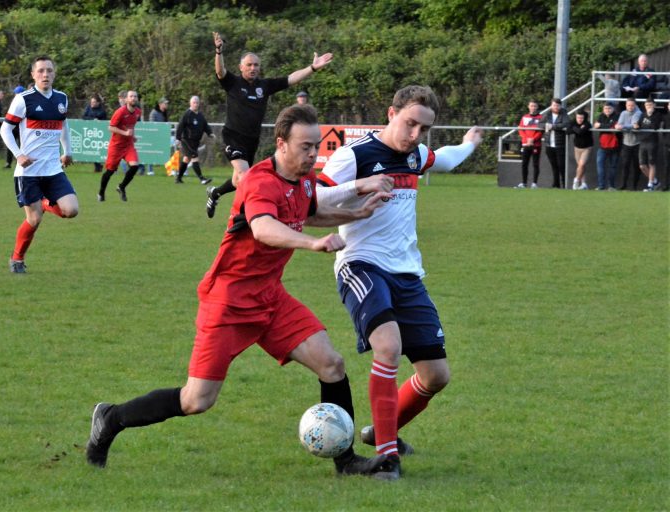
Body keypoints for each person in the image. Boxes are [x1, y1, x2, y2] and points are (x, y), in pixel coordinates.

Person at [86, 105, 392, 479]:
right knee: (196, 400)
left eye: (316, 147)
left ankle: (345, 462)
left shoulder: (304, 179)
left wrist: (356, 214)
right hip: (228, 302)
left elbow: (307, 212)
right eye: (305, 147)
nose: (313, 154)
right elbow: (264, 228)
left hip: (270, 298)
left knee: (331, 364)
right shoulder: (259, 181)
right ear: (281, 144)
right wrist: (312, 245)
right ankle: (110, 418)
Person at [316, 85, 484, 481]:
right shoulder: (353, 155)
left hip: (407, 273)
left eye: (423, 128)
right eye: (409, 123)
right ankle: (387, 459)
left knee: (436, 376)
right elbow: (315, 199)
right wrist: (357, 193)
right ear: (391, 113)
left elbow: (443, 161)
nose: (414, 134)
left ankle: (380, 432)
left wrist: (469, 144)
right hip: (361, 265)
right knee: (388, 347)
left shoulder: (416, 155)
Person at [204, 31, 333, 218]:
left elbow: (291, 78)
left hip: (251, 140)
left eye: (256, 65)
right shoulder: (233, 83)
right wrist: (218, 51)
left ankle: (215, 193)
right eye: (249, 64)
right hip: (233, 135)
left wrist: (312, 68)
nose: (253, 68)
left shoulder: (264, 86)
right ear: (241, 67)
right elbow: (220, 72)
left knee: (237, 180)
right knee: (246, 176)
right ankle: (245, 216)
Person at [0, 56, 78, 274]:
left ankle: (45, 203)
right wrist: (18, 154)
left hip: (53, 169)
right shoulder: (24, 100)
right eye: (41, 71)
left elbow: (63, 125)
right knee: (33, 219)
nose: (46, 75)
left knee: (71, 210)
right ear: (33, 75)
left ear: (54, 74)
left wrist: (67, 151)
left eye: (49, 71)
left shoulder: (62, 98)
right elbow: (5, 129)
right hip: (28, 172)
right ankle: (17, 259)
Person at [98, 90, 142, 202]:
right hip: (116, 146)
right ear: (126, 99)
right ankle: (101, 192)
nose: (133, 98)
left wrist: (133, 136)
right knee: (110, 172)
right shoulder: (120, 112)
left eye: (135, 96)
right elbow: (111, 127)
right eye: (131, 96)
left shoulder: (138, 112)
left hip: (128, 145)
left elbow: (131, 127)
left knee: (135, 166)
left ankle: (121, 187)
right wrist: (125, 133)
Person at [175, 95, 214, 185]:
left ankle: (178, 178)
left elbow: (205, 125)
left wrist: (210, 133)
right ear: (190, 103)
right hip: (187, 141)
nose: (196, 104)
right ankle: (202, 179)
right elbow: (180, 126)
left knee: (186, 159)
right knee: (194, 157)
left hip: (195, 142)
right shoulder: (187, 114)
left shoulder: (200, 115)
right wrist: (177, 139)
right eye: (194, 102)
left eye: (197, 103)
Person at [541, 98, 570, 188]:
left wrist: (553, 126)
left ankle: (564, 184)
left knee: (561, 165)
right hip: (549, 144)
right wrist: (545, 126)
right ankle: (556, 184)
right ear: (551, 105)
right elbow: (540, 124)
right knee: (554, 166)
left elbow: (566, 124)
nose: (556, 107)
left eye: (558, 105)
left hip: (560, 144)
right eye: (554, 105)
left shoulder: (564, 113)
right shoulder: (548, 113)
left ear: (560, 106)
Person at [615, 98, 643, 190]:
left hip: (637, 143)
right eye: (628, 105)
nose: (630, 107)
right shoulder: (623, 113)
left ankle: (634, 186)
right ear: (626, 105)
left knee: (636, 166)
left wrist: (623, 126)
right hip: (626, 143)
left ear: (635, 105)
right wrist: (624, 126)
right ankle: (623, 185)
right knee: (625, 165)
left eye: (632, 105)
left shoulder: (638, 113)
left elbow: (634, 125)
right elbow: (619, 125)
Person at [516, 100, 543, 189]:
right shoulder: (524, 117)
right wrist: (526, 139)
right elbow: (520, 129)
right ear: (528, 106)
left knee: (535, 164)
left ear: (537, 107)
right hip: (525, 144)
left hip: (536, 145)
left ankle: (534, 183)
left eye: (535, 106)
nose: (533, 108)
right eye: (531, 106)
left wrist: (533, 139)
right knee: (524, 164)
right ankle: (524, 183)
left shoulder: (541, 117)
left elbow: (541, 131)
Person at [637, 97, 662, 191]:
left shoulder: (657, 115)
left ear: (654, 105)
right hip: (642, 141)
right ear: (644, 106)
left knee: (651, 163)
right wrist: (636, 126)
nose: (649, 107)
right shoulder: (642, 115)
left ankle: (650, 184)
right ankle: (654, 181)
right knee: (642, 165)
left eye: (650, 105)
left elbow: (655, 126)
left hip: (652, 141)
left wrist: (650, 115)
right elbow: (639, 125)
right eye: (647, 105)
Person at [593, 103, 620, 191]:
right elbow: (596, 126)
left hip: (614, 146)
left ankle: (611, 186)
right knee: (600, 166)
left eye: (609, 108)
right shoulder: (601, 116)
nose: (607, 110)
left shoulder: (617, 115)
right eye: (605, 108)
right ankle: (601, 186)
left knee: (613, 167)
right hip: (602, 146)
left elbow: (614, 126)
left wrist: (601, 125)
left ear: (613, 109)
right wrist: (606, 126)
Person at [82, 94, 108, 173]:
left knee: (98, 150)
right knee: (92, 150)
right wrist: (93, 119)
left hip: (99, 133)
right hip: (89, 132)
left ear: (98, 103)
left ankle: (100, 166)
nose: (92, 104)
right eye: (91, 102)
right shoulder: (88, 108)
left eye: (94, 102)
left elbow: (104, 120)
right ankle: (98, 166)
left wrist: (99, 121)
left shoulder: (102, 111)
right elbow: (83, 117)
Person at [569, 111, 593, 190]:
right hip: (577, 147)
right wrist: (576, 128)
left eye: (581, 118)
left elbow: (580, 132)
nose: (579, 119)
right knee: (580, 166)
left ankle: (576, 180)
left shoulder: (587, 124)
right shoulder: (573, 122)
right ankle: (584, 183)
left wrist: (574, 128)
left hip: (586, 147)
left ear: (585, 118)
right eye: (578, 117)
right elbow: (567, 131)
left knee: (581, 164)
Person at [147, 97, 170, 176]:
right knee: (151, 152)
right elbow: (152, 124)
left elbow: (166, 124)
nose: (166, 105)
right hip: (154, 136)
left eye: (167, 103)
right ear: (160, 104)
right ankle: (150, 170)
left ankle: (169, 169)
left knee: (166, 152)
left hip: (162, 136)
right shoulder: (154, 112)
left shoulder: (165, 112)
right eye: (165, 103)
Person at [4, 86, 25, 169]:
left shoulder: (21, 101)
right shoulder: (17, 101)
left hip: (18, 128)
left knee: (21, 146)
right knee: (13, 145)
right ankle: (9, 162)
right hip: (14, 127)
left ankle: (15, 162)